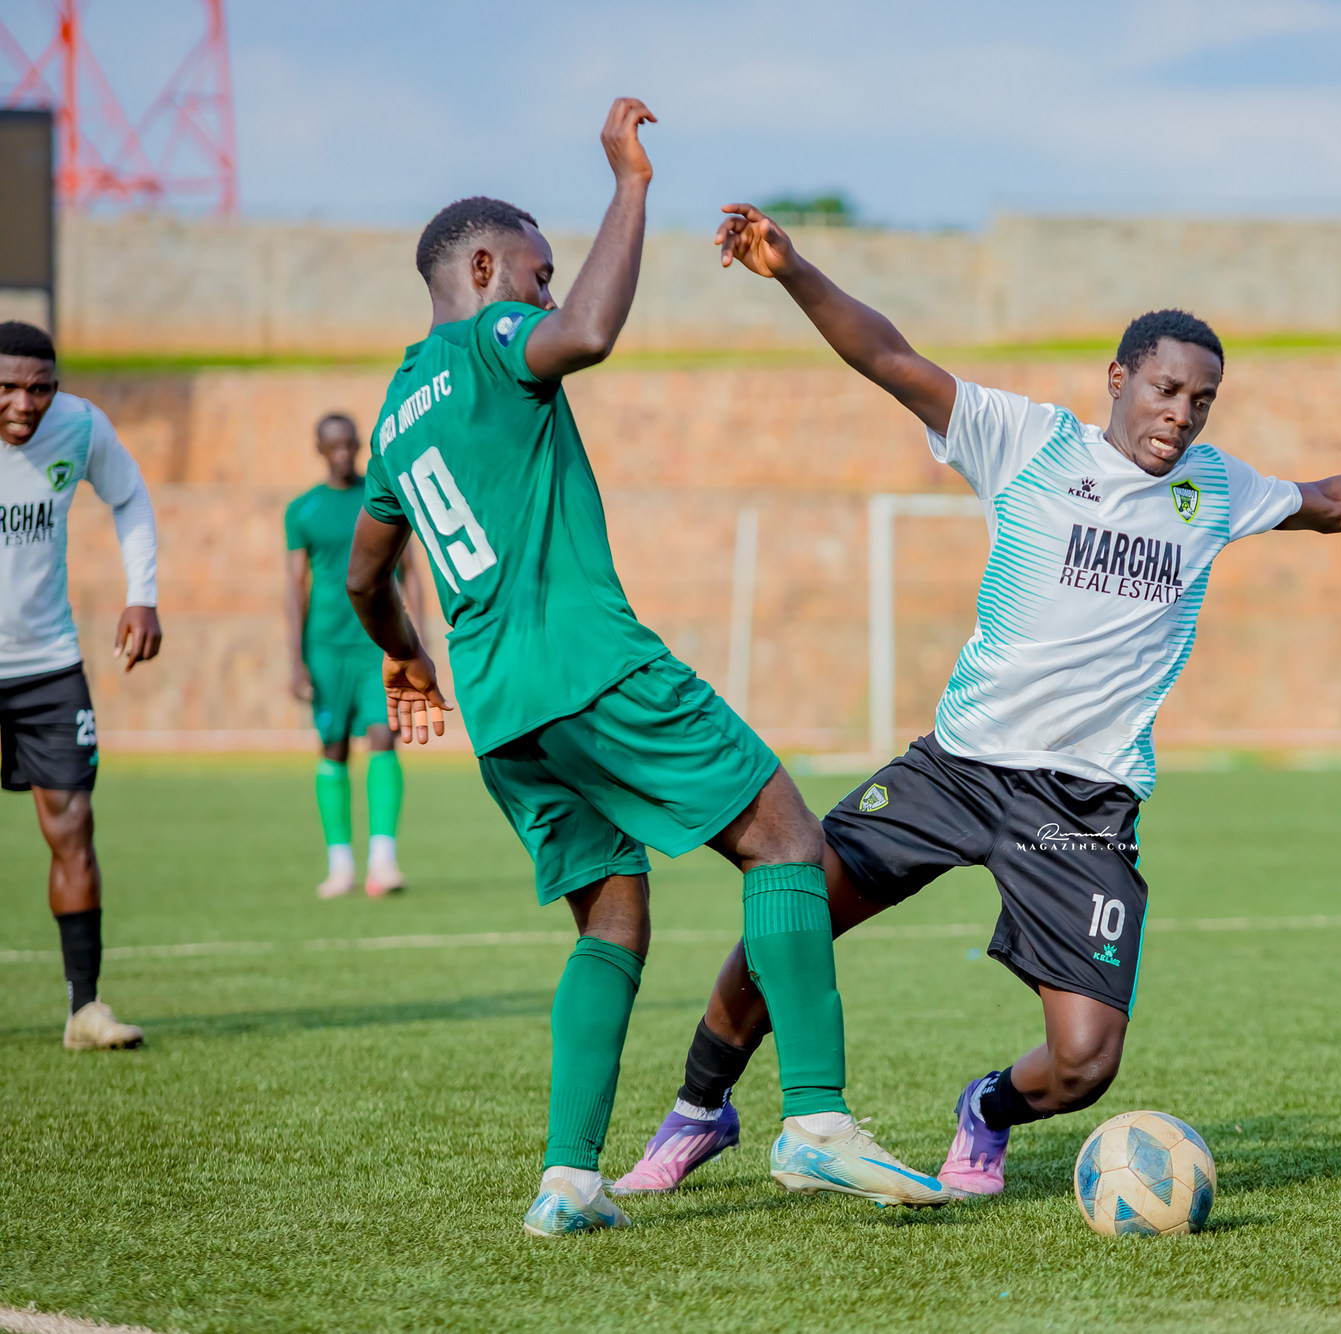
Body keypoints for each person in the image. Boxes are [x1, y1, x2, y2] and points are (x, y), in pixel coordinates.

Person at [610, 204, 1341, 1199]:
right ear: (1118, 379)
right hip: (958, 767)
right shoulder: (1026, 440)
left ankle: (986, 1108)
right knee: (790, 912)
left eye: (1201, 400)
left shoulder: (1214, 490)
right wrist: (795, 269)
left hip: (1083, 803)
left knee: (1085, 1061)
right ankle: (699, 1111)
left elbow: (1338, 502)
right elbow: (888, 358)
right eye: (1165, 390)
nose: (1181, 415)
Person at [342, 100, 951, 1237]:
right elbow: (585, 334)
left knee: (610, 922)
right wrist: (630, 183)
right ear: (483, 269)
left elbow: (363, 577)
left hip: (505, 715)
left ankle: (569, 1179)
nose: (544, 288)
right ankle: (817, 1122)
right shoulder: (491, 341)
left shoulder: (393, 419)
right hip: (592, 668)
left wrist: (410, 663)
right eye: (536, 270)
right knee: (785, 837)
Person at [0, 319, 162, 1051]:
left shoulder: (79, 426)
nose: (23, 404)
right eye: (7, 388)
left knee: (72, 829)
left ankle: (84, 1010)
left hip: (48, 665)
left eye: (39, 389)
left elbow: (130, 497)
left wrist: (143, 595)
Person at [286, 411, 423, 898]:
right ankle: (340, 864)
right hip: (325, 648)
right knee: (334, 747)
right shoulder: (302, 511)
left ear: (361, 445)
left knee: (385, 737)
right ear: (320, 450)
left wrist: (417, 641)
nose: (344, 453)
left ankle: (383, 862)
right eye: (335, 446)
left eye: (351, 444)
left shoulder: (382, 498)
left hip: (377, 644)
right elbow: (295, 588)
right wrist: (296, 659)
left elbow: (410, 571)